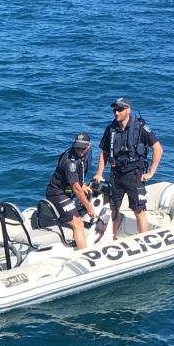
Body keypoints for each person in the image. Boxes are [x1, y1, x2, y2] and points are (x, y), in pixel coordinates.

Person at [93, 98, 163, 238]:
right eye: (114, 110)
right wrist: (99, 172)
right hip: (116, 174)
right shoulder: (111, 129)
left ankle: (144, 239)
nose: (116, 112)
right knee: (114, 209)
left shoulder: (141, 127)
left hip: (134, 174)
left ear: (128, 109)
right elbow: (104, 152)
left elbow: (158, 149)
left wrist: (150, 173)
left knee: (139, 210)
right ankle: (111, 237)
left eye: (119, 109)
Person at [45, 132, 98, 249]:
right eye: (77, 147)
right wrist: (89, 207)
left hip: (70, 189)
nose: (79, 151)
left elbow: (80, 172)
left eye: (82, 148)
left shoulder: (88, 152)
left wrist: (81, 184)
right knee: (78, 224)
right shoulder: (70, 163)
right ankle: (84, 254)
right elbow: (76, 188)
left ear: (88, 146)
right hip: (57, 193)